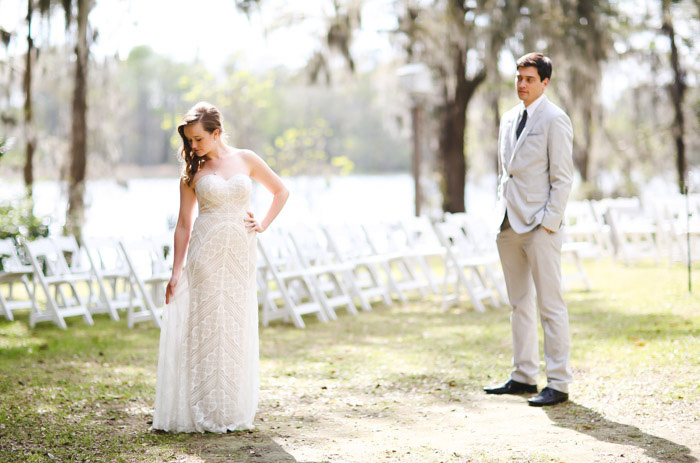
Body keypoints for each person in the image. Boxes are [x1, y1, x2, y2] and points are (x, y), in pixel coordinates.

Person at [152, 102, 289, 432]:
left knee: (235, 326)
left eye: (198, 139)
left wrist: (263, 223)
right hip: (205, 256)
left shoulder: (247, 159)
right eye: (189, 141)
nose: (193, 146)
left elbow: (281, 191)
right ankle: (201, 407)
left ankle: (230, 408)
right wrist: (176, 271)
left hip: (240, 256)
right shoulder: (193, 173)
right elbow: (184, 224)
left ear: (216, 133)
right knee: (206, 326)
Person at [484, 53, 574, 407]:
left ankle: (559, 382)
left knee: (550, 305)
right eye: (519, 77)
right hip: (507, 224)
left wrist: (549, 225)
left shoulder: (556, 119)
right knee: (519, 304)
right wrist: (498, 214)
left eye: (529, 79)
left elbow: (563, 178)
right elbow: (506, 172)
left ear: (545, 82)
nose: (522, 84)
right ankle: (523, 375)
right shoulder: (508, 119)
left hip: (540, 227)